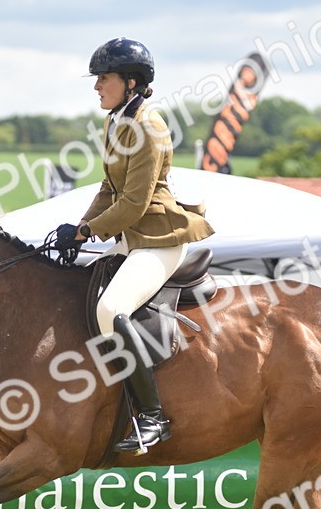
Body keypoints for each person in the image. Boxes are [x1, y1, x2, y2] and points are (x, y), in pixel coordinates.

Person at [52, 37, 214, 453]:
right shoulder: (117, 122)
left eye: (103, 78)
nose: (96, 87)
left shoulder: (148, 127)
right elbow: (109, 189)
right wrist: (79, 227)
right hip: (131, 238)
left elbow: (134, 203)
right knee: (81, 290)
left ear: (130, 81)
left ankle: (153, 417)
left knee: (111, 309)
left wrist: (88, 233)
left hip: (160, 239)